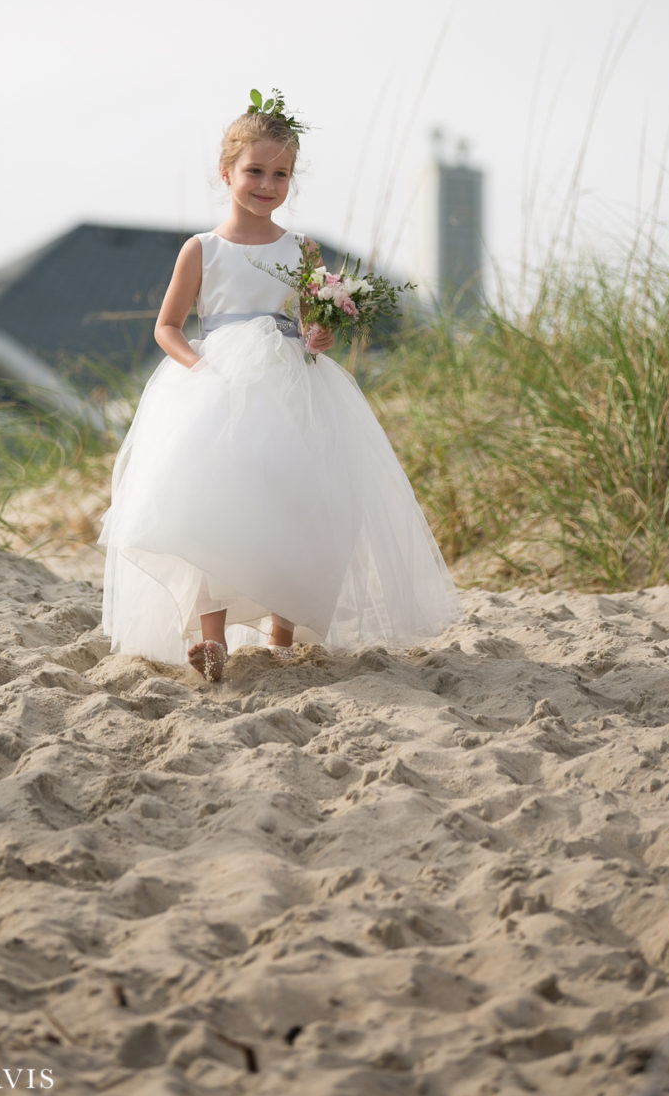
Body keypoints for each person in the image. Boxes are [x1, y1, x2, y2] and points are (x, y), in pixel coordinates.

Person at [98, 92, 462, 680]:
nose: (267, 184)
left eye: (281, 174)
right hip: (218, 383)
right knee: (209, 503)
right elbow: (167, 327)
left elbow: (313, 317)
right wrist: (200, 369)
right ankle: (210, 638)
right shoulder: (203, 250)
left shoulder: (302, 248)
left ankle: (282, 634)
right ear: (226, 173)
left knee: (296, 496)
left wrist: (320, 334)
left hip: (293, 383)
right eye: (255, 171)